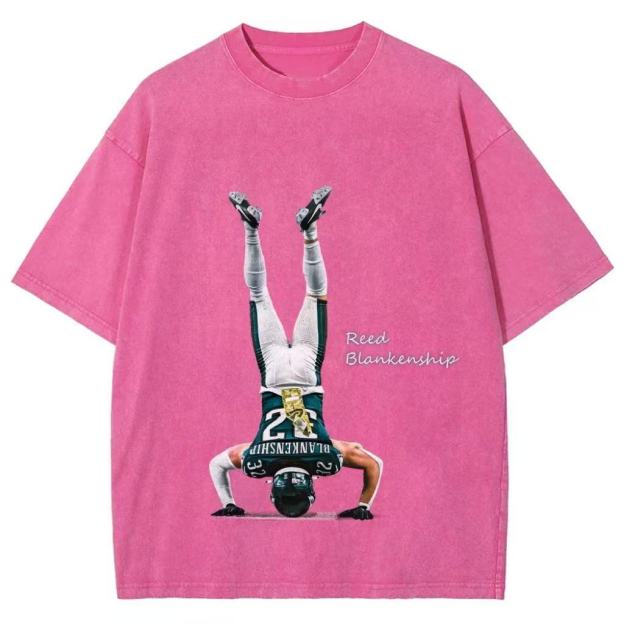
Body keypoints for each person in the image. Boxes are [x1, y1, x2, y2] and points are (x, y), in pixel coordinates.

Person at [209, 187, 383, 519]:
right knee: (258, 294)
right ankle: (250, 228)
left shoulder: (327, 459)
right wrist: (229, 503)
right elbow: (217, 464)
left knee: (316, 292)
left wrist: (363, 506)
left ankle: (309, 230)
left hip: (306, 372)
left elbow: (374, 463)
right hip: (273, 374)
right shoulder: (257, 461)